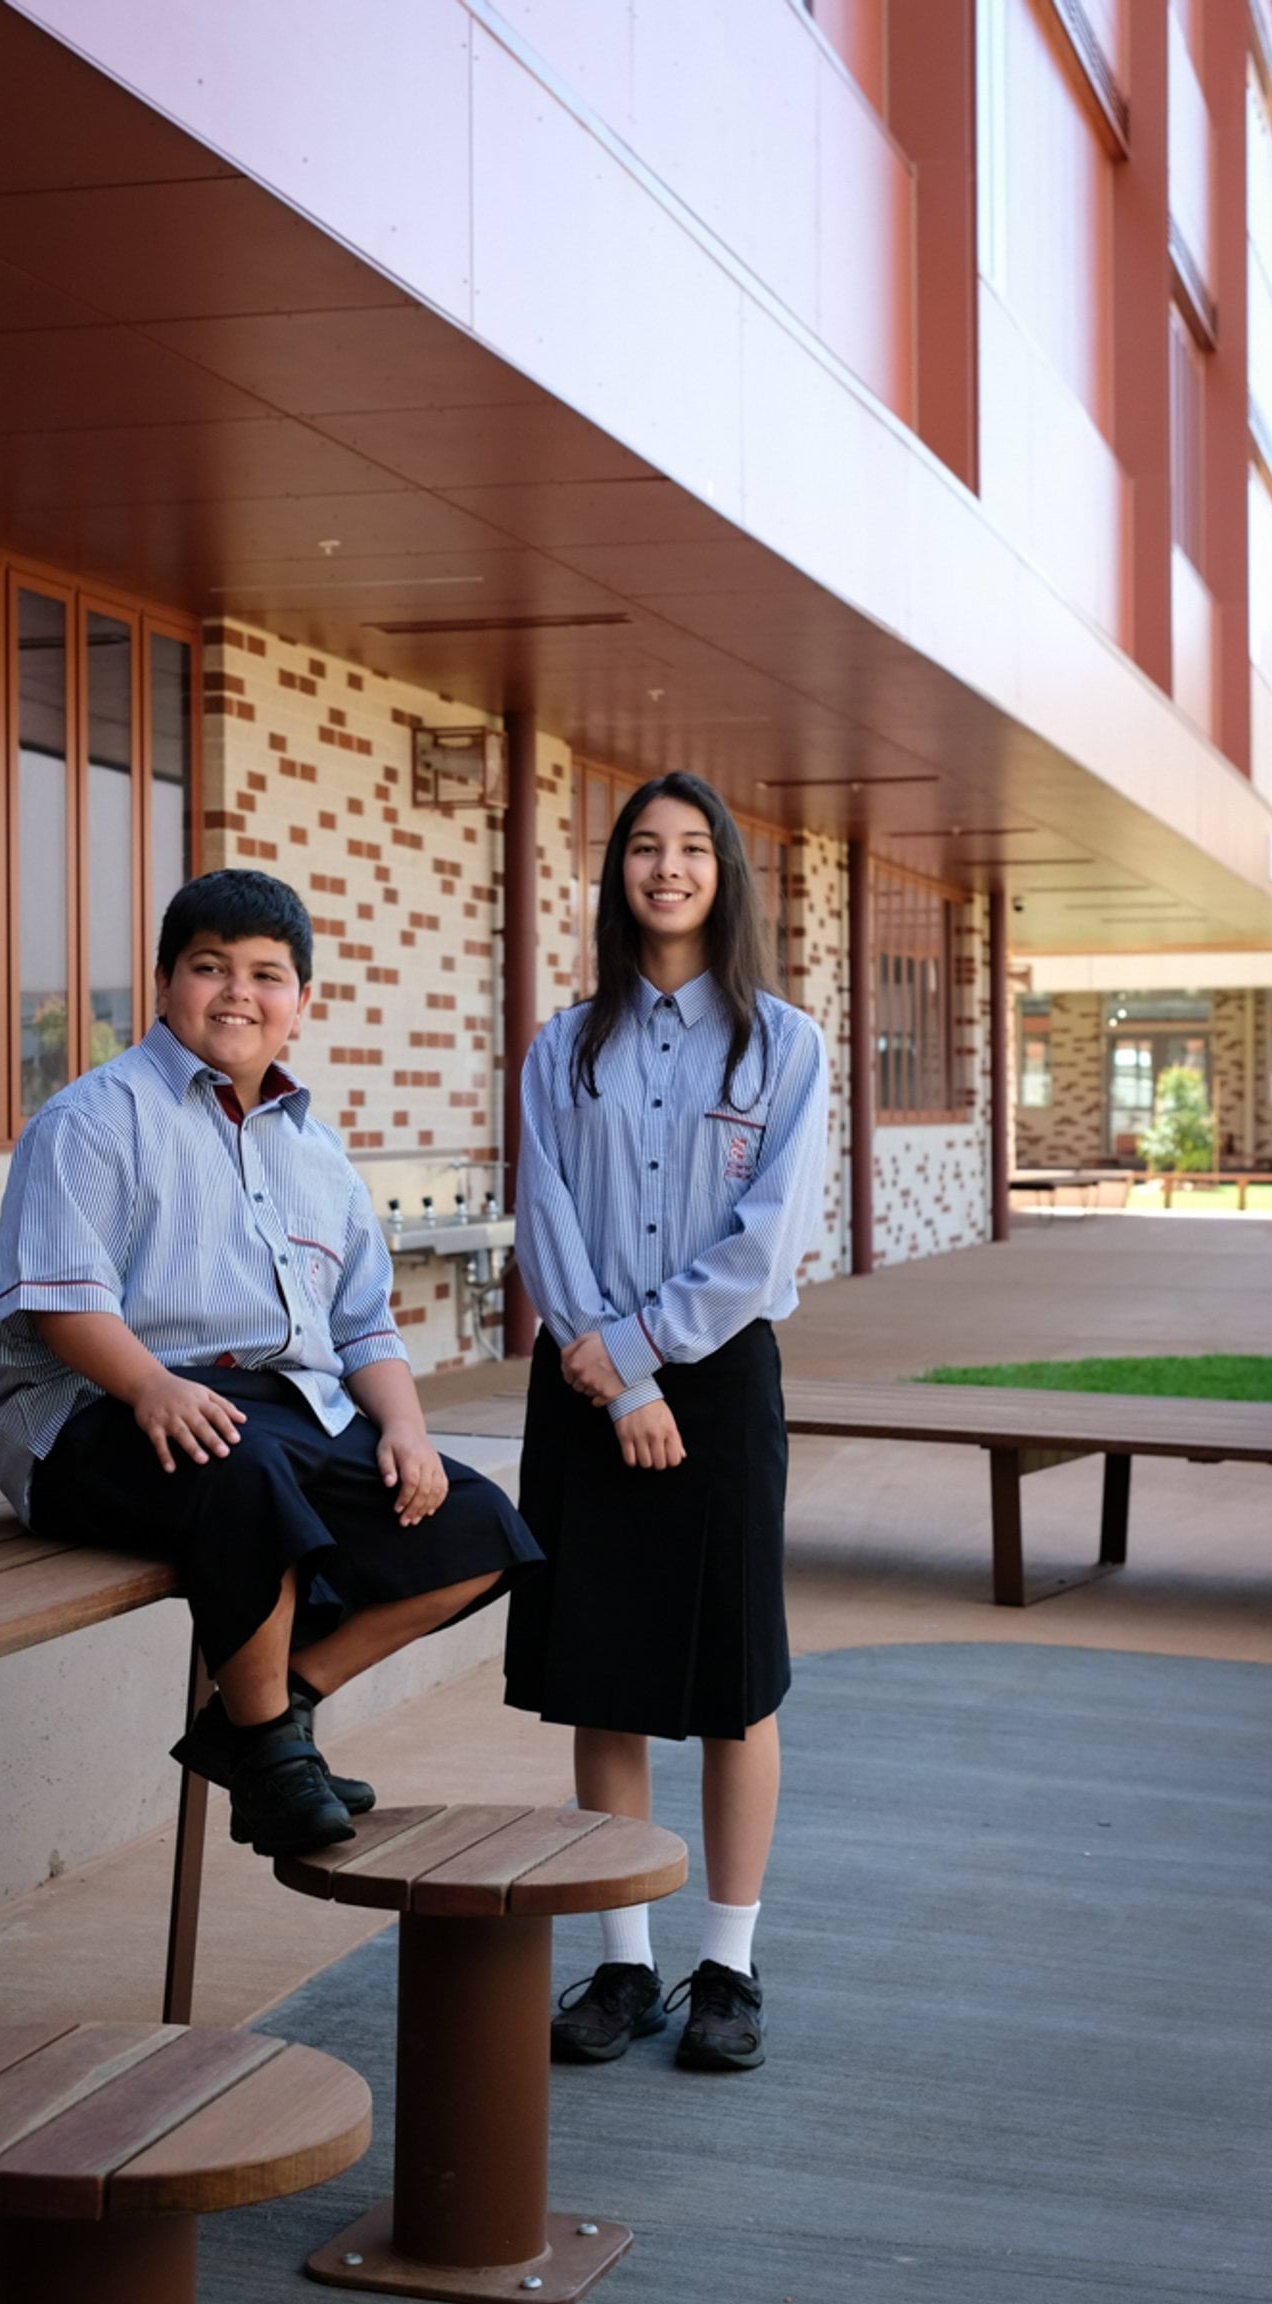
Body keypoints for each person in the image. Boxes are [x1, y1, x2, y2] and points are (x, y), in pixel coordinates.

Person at [0, 868, 540, 1860]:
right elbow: (66, 1308)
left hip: (276, 1411)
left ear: (301, 1006)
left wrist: (406, 1429)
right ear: (162, 985)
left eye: (266, 974)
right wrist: (150, 1383)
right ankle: (277, 1760)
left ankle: (265, 1729)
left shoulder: (318, 1155)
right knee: (244, 1472)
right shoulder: (95, 1119)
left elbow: (364, 1328)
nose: (238, 992)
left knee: (479, 1524)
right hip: (97, 1409)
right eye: (209, 967)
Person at [504, 773, 827, 2072]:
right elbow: (547, 1223)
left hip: (718, 1379)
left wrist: (642, 1358)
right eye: (645, 846)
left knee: (735, 1687)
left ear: (725, 874)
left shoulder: (782, 1046)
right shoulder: (560, 1046)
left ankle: (729, 1968)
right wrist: (617, 1382)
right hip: (588, 1387)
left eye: (693, 847)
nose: (668, 867)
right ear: (617, 873)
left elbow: (769, 1247)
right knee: (607, 1677)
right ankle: (624, 1962)